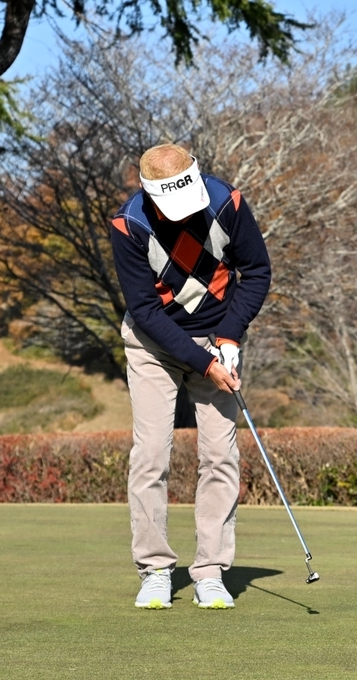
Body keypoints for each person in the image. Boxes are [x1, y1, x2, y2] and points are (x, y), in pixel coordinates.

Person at [109, 144, 271, 610]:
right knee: (151, 455)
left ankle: (211, 571)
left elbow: (256, 273)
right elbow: (145, 311)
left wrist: (230, 336)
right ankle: (156, 569)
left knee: (220, 455)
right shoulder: (129, 225)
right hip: (152, 344)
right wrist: (205, 364)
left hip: (218, 339)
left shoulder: (227, 203)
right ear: (150, 194)